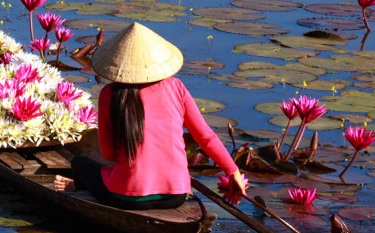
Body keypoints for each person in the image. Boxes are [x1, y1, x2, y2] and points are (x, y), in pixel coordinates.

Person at [53, 22, 248, 210]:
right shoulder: (176, 87)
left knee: (80, 164)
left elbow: (109, 154)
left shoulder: (109, 94)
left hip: (125, 196)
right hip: (176, 196)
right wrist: (233, 171)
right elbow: (205, 136)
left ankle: (78, 186)